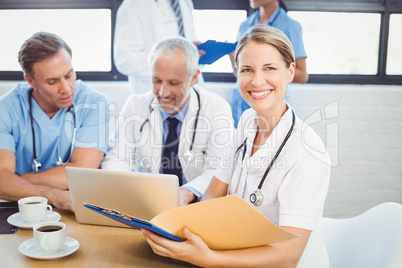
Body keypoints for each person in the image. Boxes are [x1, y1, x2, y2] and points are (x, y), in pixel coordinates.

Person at [142, 25, 331, 267]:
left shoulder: (307, 150)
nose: (257, 80)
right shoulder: (246, 122)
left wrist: (209, 258)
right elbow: (214, 193)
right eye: (247, 69)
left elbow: (289, 255)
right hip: (234, 253)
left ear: (290, 71)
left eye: (270, 68)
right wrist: (180, 231)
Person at [102, 36, 233, 206]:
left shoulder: (216, 108)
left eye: (173, 83)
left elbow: (220, 169)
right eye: (156, 81)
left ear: (193, 78)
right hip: (145, 202)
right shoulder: (135, 105)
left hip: (196, 203)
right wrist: (127, 188)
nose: (163, 93)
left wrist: (186, 193)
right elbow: (116, 158)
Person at [0, 32, 109, 211]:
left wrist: (15, 181)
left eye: (69, 75)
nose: (66, 89)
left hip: (71, 204)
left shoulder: (94, 103)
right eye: (52, 81)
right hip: (17, 207)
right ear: (30, 81)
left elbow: (82, 172)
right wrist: (51, 195)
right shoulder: (6, 109)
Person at [231, 0, 308, 126]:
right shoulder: (244, 25)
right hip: (240, 104)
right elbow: (238, 72)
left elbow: (302, 75)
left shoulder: (290, 26)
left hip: (270, 104)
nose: (257, 81)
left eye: (270, 68)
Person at [114, 0, 204, 94]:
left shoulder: (184, 2)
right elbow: (125, 60)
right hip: (155, 96)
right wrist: (173, 60)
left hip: (192, 91)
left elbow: (188, 37)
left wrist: (193, 50)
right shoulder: (133, 5)